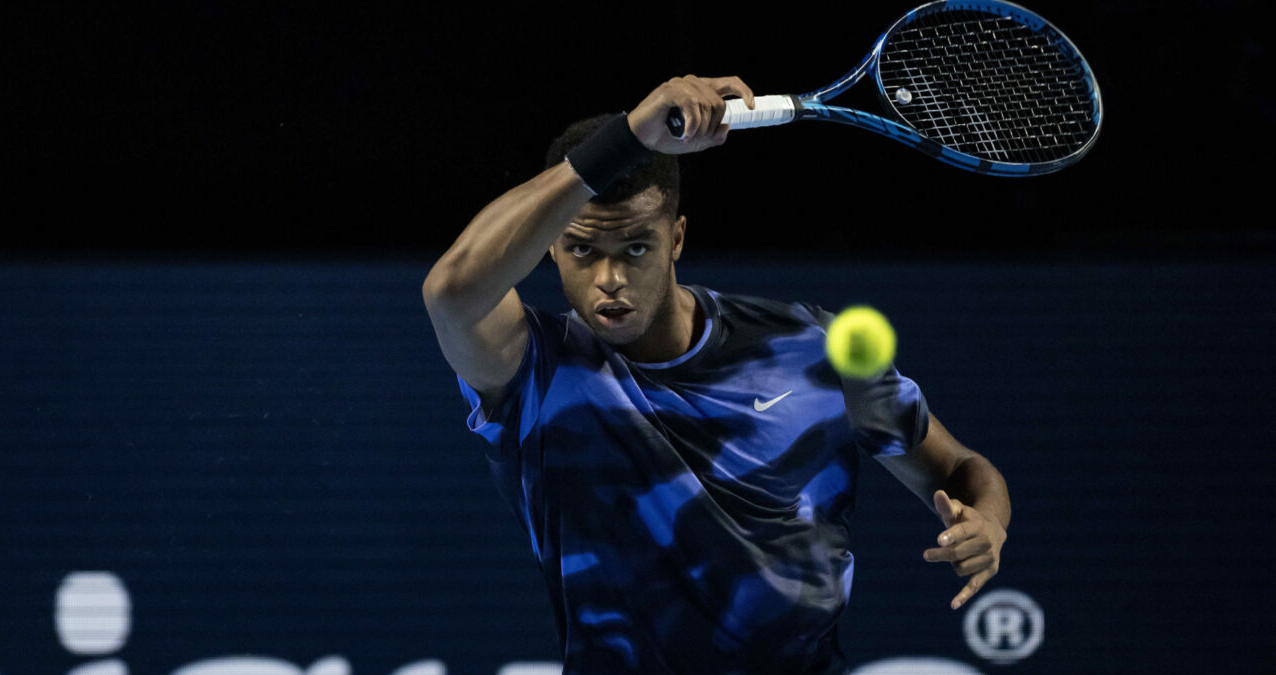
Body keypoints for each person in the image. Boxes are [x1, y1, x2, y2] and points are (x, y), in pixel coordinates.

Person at [422, 75, 1010, 674]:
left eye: (635, 249)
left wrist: (987, 520)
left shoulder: (814, 348)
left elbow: (960, 468)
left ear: (676, 238)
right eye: (582, 251)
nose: (609, 279)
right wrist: (630, 134)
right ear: (549, 246)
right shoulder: (534, 371)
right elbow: (451, 291)